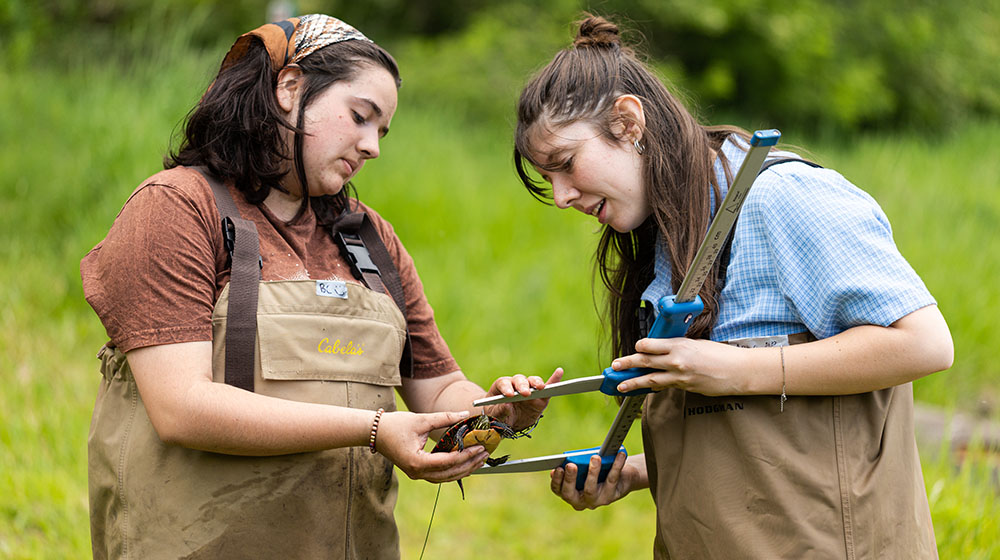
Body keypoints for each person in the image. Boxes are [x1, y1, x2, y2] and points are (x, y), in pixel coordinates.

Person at [82, 14, 557, 559]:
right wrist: (375, 429)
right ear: (289, 88)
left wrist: (488, 410)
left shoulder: (372, 237)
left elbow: (438, 391)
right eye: (361, 116)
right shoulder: (175, 208)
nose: (373, 145)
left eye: (382, 130)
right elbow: (181, 407)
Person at [512, 14, 954, 559]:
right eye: (547, 180)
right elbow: (760, 434)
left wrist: (738, 368)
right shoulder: (666, 244)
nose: (559, 197)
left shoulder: (784, 198)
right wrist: (637, 473)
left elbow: (925, 343)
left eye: (566, 165)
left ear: (629, 123)